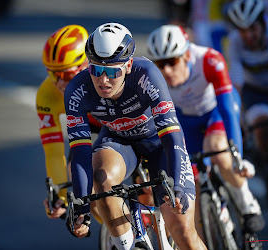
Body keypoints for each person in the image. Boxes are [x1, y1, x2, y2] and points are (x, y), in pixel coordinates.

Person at [64, 22, 207, 250]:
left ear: (129, 65)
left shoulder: (147, 75)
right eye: (96, 69)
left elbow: (172, 135)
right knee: (101, 177)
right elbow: (80, 151)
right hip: (118, 143)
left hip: (159, 143)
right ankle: (126, 245)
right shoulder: (77, 90)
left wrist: (178, 183)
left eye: (112, 71)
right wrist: (81, 206)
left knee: (183, 234)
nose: (103, 80)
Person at [147, 24, 265, 234]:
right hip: (186, 121)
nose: (166, 70)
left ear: (186, 55)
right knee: (192, 188)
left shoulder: (209, 60)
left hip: (215, 112)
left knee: (216, 147)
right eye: (160, 64)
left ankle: (247, 203)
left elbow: (227, 109)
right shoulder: (153, 78)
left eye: (171, 61)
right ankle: (217, 222)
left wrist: (237, 155)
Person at [36, 24, 101, 220]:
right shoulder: (46, 95)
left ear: (86, 64)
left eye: (66, 74)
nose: (60, 83)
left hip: (119, 124)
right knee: (79, 174)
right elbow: (54, 153)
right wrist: (62, 197)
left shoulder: (103, 80)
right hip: (88, 127)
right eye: (53, 73)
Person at [227, 0, 268, 196]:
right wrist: (239, 119)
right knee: (262, 129)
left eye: (252, 28)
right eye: (242, 30)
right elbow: (236, 86)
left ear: (263, 23)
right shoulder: (234, 42)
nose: (248, 36)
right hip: (257, 92)